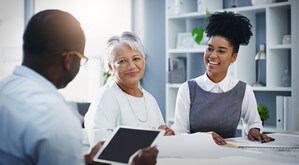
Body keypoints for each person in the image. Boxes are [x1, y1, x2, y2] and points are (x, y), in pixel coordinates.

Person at [0, 10, 158, 165]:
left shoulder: (5, 91)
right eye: (82, 59)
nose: (131, 66)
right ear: (69, 60)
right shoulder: (56, 115)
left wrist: (87, 160)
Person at [172, 12, 273, 145]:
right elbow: (179, 132)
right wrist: (202, 138)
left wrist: (254, 130)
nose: (212, 55)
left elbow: (253, 122)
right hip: (194, 153)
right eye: (210, 48)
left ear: (234, 57)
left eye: (221, 51)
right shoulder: (187, 89)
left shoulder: (243, 90)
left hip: (229, 155)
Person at [84, 32, 174, 146]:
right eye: (122, 61)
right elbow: (100, 146)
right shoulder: (105, 97)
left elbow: (159, 141)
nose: (131, 66)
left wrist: (166, 136)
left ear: (144, 60)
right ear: (111, 67)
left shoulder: (150, 99)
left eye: (136, 58)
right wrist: (149, 140)